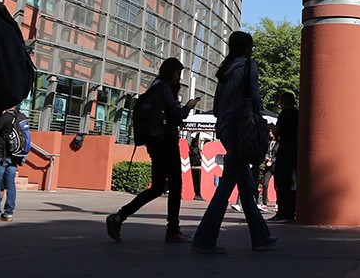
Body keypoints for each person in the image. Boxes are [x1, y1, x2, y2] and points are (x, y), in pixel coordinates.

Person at [191, 31, 279, 254]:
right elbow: (256, 101)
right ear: (247, 47)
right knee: (229, 184)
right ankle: (204, 239)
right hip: (242, 128)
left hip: (225, 127)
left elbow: (218, 103)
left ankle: (261, 236)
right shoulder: (249, 66)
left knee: (244, 183)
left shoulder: (225, 69)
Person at [106, 57, 199, 243]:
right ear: (170, 72)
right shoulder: (164, 88)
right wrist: (188, 107)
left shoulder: (154, 87)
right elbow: (177, 114)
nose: (178, 78)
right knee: (176, 186)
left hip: (155, 143)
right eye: (177, 73)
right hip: (167, 142)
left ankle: (119, 217)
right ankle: (173, 230)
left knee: (157, 187)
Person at [0, 107, 27, 222]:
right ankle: (8, 213)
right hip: (14, 156)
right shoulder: (21, 116)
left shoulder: (6, 116)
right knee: (10, 185)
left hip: (0, 155)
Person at [268, 91, 298, 223]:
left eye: (280, 103)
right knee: (292, 183)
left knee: (282, 182)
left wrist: (272, 128)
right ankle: (291, 211)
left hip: (285, 151)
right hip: (296, 151)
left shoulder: (285, 114)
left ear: (284, 103)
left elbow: (277, 132)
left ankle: (283, 213)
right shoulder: (298, 113)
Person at [189, 134, 205, 201]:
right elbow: (195, 156)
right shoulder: (193, 149)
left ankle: (197, 191)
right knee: (195, 179)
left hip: (195, 165)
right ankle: (196, 191)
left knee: (196, 179)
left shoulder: (195, 149)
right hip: (194, 165)